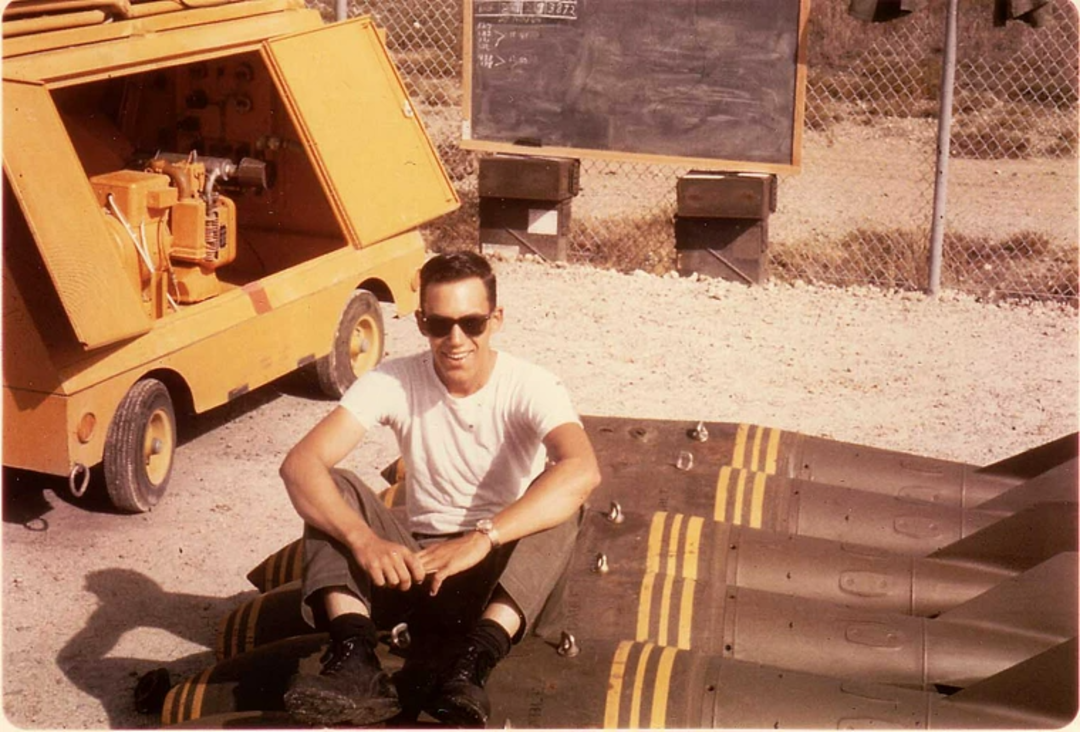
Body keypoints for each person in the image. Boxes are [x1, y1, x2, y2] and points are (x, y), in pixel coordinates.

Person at [279, 251, 601, 727]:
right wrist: (365, 540)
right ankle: (354, 656)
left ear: (496, 320)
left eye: (471, 323)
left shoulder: (531, 384)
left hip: (503, 578)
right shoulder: (395, 380)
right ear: (421, 322)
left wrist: (480, 539)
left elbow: (582, 469)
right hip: (423, 570)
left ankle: (474, 664)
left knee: (562, 499)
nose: (455, 340)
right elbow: (300, 464)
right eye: (439, 324)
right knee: (335, 486)